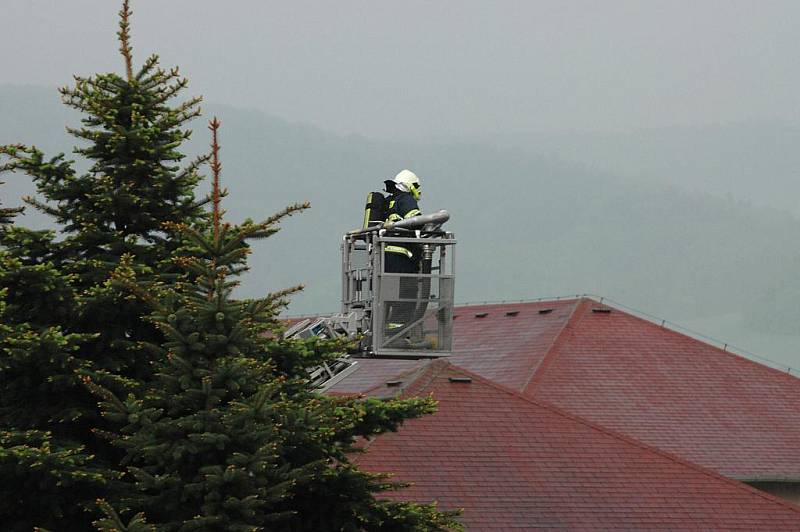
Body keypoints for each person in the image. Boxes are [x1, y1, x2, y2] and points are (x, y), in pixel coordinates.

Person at [382, 170, 424, 344]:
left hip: (383, 258)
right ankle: (397, 335)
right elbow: (416, 220)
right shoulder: (406, 199)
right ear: (409, 185)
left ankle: (385, 332)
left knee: (389, 297)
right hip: (401, 258)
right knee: (406, 295)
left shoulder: (387, 201)